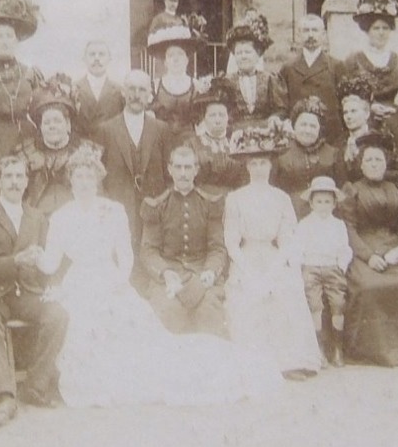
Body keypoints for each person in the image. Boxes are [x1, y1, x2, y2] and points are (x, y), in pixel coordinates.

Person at [38, 148, 278, 407]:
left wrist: (117, 283)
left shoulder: (113, 210)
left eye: (89, 176)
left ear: (97, 179)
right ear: (70, 179)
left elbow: (126, 256)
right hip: (79, 284)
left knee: (145, 341)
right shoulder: (61, 217)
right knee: (78, 325)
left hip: (111, 281)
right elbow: (51, 264)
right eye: (78, 176)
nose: (84, 182)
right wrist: (36, 256)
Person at [0, 154, 69, 428]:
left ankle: (35, 385)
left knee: (58, 314)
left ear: (26, 182)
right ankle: (4, 396)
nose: (14, 182)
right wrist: (14, 262)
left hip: (27, 292)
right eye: (8, 176)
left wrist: (50, 284)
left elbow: (50, 261)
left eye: (19, 176)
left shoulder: (37, 218)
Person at [222, 125, 323, 380]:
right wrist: (250, 269)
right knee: (249, 293)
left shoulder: (281, 198)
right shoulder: (235, 198)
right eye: (253, 163)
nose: (258, 168)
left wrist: (275, 267)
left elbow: (287, 239)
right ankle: (257, 361)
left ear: (271, 166)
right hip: (246, 258)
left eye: (263, 163)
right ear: (246, 166)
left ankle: (289, 361)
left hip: (273, 256)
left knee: (286, 289)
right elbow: (232, 243)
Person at [339, 132, 398, 368]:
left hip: (394, 248)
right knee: (369, 286)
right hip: (363, 249)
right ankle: (367, 350)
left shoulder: (397, 189)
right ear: (361, 165)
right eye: (369, 161)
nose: (374, 165)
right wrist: (369, 256)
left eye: (379, 160)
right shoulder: (351, 190)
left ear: (386, 165)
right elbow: (349, 228)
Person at [140, 143, 229, 338]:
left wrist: (210, 271)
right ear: (170, 169)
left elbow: (217, 248)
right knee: (169, 313)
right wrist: (166, 273)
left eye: (188, 167)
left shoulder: (209, 204)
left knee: (209, 312)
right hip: (168, 278)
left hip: (201, 274)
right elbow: (148, 251)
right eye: (178, 167)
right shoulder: (157, 206)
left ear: (196, 170)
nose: (183, 173)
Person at [94, 70, 172, 251]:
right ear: (123, 92)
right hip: (118, 204)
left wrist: (163, 202)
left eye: (142, 90)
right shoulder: (105, 129)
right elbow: (96, 174)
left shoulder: (162, 129)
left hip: (153, 205)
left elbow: (169, 173)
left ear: (150, 95)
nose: (136, 95)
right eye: (131, 89)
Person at [293, 177, 352, 366]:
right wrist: (300, 266)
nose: (323, 206)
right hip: (311, 267)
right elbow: (297, 248)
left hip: (332, 268)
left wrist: (340, 266)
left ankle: (337, 348)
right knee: (315, 307)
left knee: (338, 305)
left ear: (334, 203)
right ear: (311, 203)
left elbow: (345, 249)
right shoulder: (304, 225)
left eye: (327, 202)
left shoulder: (338, 225)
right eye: (319, 201)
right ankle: (319, 349)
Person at [0, 0, 45, 156]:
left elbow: (41, 109)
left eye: (9, 36)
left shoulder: (30, 73)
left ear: (16, 40)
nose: (4, 41)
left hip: (28, 137)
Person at [22, 77, 100, 215]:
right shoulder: (25, 153)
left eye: (57, 121)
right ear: (40, 127)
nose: (52, 126)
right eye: (47, 123)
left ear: (68, 124)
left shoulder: (87, 152)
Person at [280, 14, 348, 143]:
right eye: (306, 30)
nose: (311, 35)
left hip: (330, 136)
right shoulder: (288, 68)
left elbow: (344, 103)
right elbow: (282, 106)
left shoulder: (337, 66)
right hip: (298, 135)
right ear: (298, 35)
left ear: (323, 34)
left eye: (315, 30)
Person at [273, 97, 341, 218]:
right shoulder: (281, 153)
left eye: (313, 126)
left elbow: (342, 191)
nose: (307, 130)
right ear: (294, 125)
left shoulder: (333, 154)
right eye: (303, 125)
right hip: (290, 215)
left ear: (320, 129)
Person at [344, 0, 398, 105]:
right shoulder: (353, 60)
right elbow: (345, 95)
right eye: (376, 28)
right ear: (367, 31)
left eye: (385, 28)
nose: (381, 33)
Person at [221, 20, 287, 131]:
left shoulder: (270, 79)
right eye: (239, 53)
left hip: (264, 132)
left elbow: (280, 109)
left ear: (257, 55)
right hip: (235, 132)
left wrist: (274, 118)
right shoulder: (226, 81)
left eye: (247, 52)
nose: (243, 56)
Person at [184, 79, 248, 194]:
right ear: (204, 118)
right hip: (201, 200)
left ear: (228, 118)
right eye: (213, 115)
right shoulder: (191, 144)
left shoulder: (238, 143)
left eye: (222, 115)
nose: (217, 120)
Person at [149, 22, 202, 129]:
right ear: (165, 62)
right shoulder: (155, 85)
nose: (176, 59)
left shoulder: (196, 85)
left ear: (187, 60)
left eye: (180, 54)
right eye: (171, 55)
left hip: (188, 141)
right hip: (162, 141)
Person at [73, 40, 124, 140]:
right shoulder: (74, 89)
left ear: (109, 59)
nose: (96, 58)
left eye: (101, 54)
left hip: (111, 149)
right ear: (84, 59)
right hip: (82, 149)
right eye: (92, 54)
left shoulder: (119, 91)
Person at [337, 75, 383, 183]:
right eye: (345, 112)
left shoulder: (379, 140)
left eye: (353, 111)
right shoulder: (339, 143)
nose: (348, 116)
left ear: (367, 114)